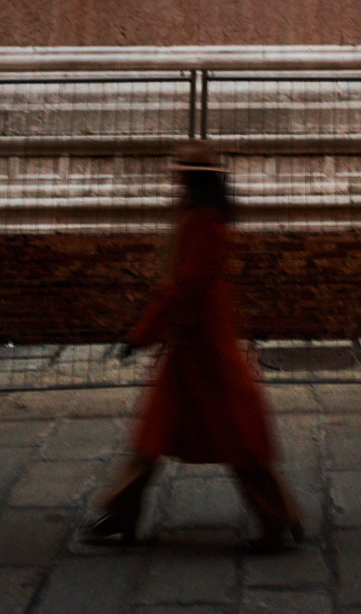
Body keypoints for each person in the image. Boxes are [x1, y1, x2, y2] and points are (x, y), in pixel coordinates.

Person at [83, 142, 302, 552]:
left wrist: (142, 333)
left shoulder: (202, 220)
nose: (175, 177)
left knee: (232, 436)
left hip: (203, 344)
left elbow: (184, 286)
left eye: (181, 171)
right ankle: (121, 513)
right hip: (197, 340)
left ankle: (278, 517)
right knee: (158, 433)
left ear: (192, 178)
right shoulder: (204, 215)